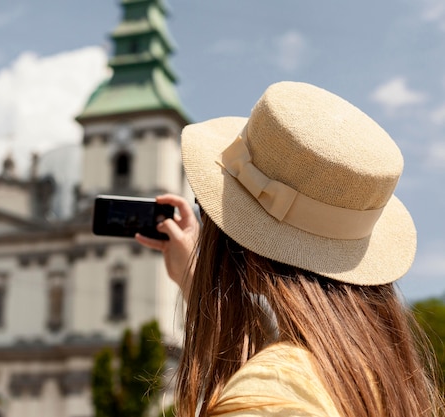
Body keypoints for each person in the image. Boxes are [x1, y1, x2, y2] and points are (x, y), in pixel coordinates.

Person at [135, 81, 445, 417]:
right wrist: (199, 283)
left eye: (205, 206)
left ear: (241, 244)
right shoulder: (387, 379)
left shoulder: (269, 395)